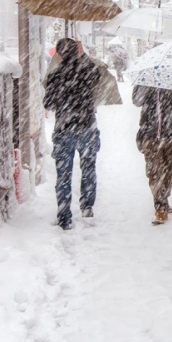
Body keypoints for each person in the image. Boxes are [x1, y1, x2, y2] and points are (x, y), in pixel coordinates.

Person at [43, 37, 102, 230]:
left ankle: (64, 216)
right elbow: (98, 77)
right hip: (87, 126)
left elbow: (48, 104)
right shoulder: (88, 71)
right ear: (77, 52)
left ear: (58, 54)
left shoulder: (55, 76)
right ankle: (87, 206)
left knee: (64, 174)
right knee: (88, 168)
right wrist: (82, 55)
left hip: (64, 128)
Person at [132, 84, 172, 225]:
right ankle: (160, 205)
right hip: (150, 135)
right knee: (154, 171)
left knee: (170, 169)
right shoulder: (145, 80)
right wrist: (147, 86)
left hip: (171, 135)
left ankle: (164, 196)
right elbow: (136, 101)